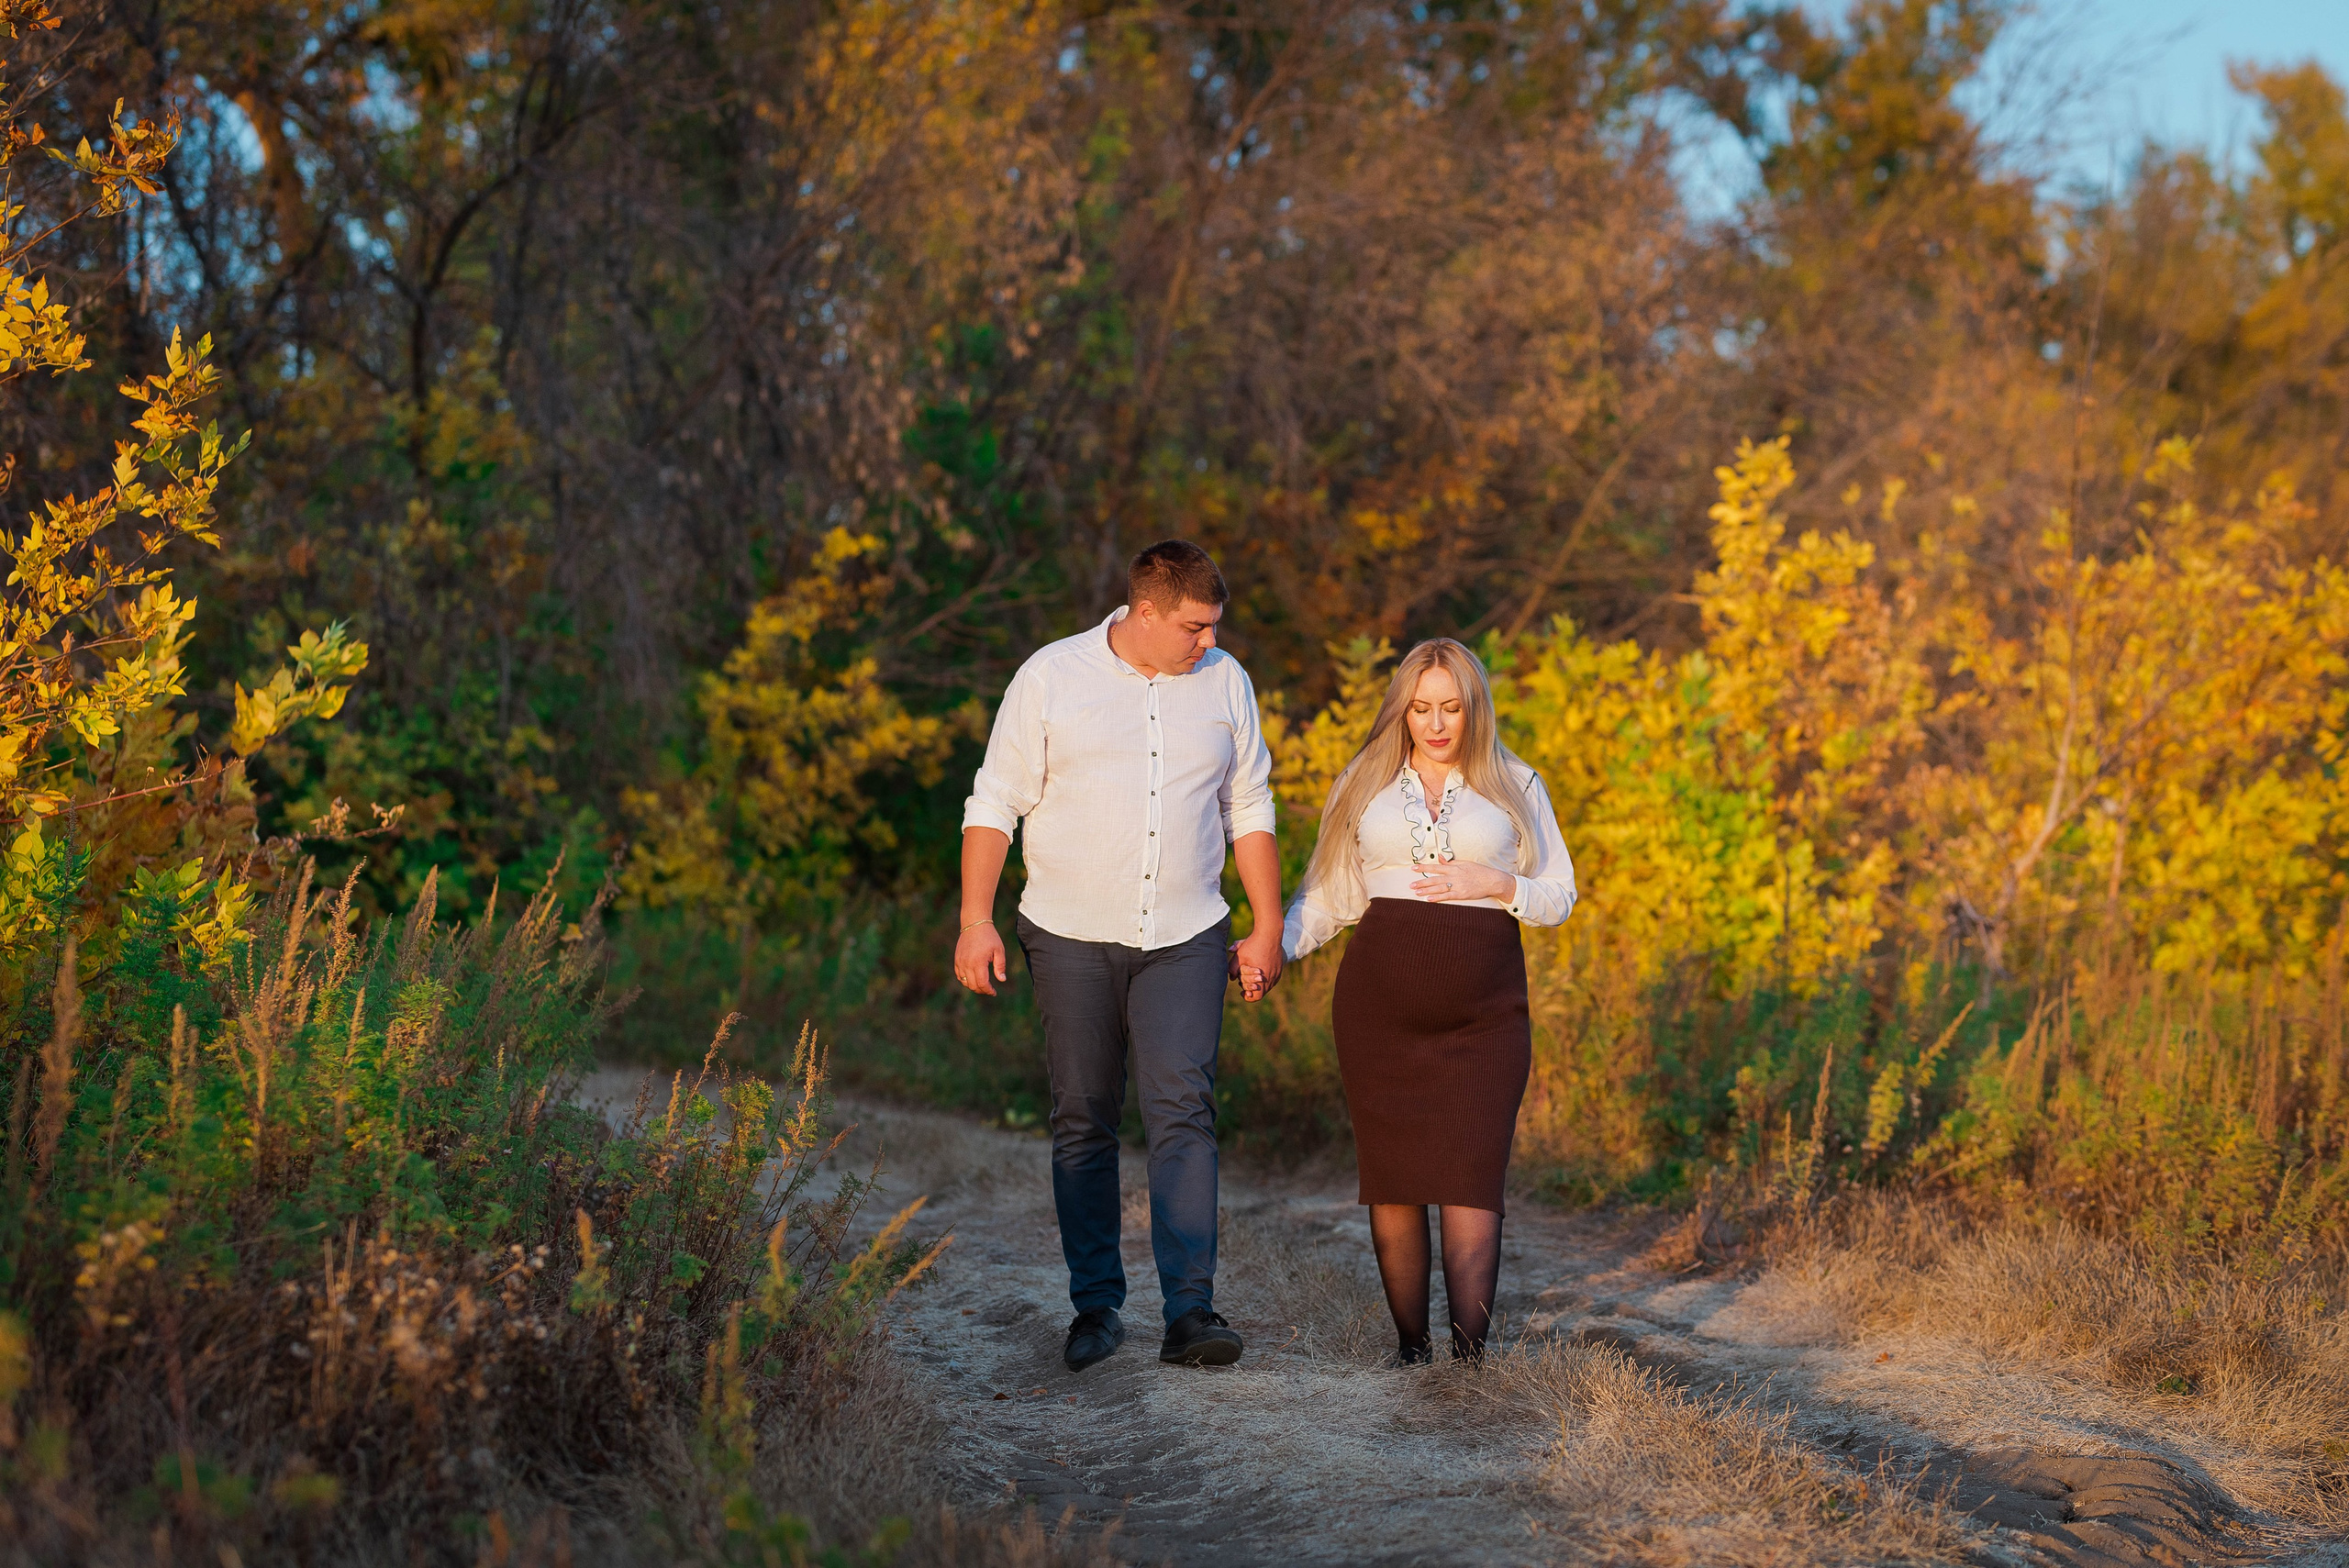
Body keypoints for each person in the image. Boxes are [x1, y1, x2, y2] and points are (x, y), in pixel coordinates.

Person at [954, 540, 1286, 1373]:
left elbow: (1248, 802)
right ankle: (1096, 1306)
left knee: (1184, 1108)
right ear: (1144, 612)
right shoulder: (1051, 677)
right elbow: (995, 799)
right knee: (1083, 1117)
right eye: (1194, 626)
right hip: (1068, 933)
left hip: (1186, 931)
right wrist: (974, 919)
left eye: (1214, 627)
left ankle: (1191, 1311)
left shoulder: (1226, 683)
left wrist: (1268, 922)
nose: (1207, 642)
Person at [1248, 639, 1575, 1365]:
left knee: (1471, 1174)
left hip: (1486, 1016)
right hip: (1380, 1011)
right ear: (1402, 707)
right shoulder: (1362, 781)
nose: (1436, 723)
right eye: (1422, 707)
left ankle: (1469, 1363)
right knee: (1393, 1179)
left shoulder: (1516, 782)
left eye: (1451, 707)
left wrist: (1497, 885)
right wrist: (1268, 949)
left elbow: (1558, 894)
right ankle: (1411, 1352)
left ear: (1473, 708)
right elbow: (1329, 899)